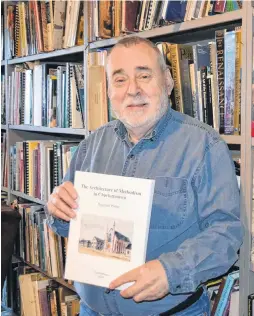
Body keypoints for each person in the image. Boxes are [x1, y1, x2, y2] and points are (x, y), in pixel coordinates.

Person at [45, 36, 243, 315]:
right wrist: (57, 208)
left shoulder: (205, 146)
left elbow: (226, 234)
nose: (133, 90)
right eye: (120, 79)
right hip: (91, 309)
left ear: (168, 81)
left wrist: (169, 272)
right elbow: (66, 224)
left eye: (144, 75)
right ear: (109, 89)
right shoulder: (91, 145)